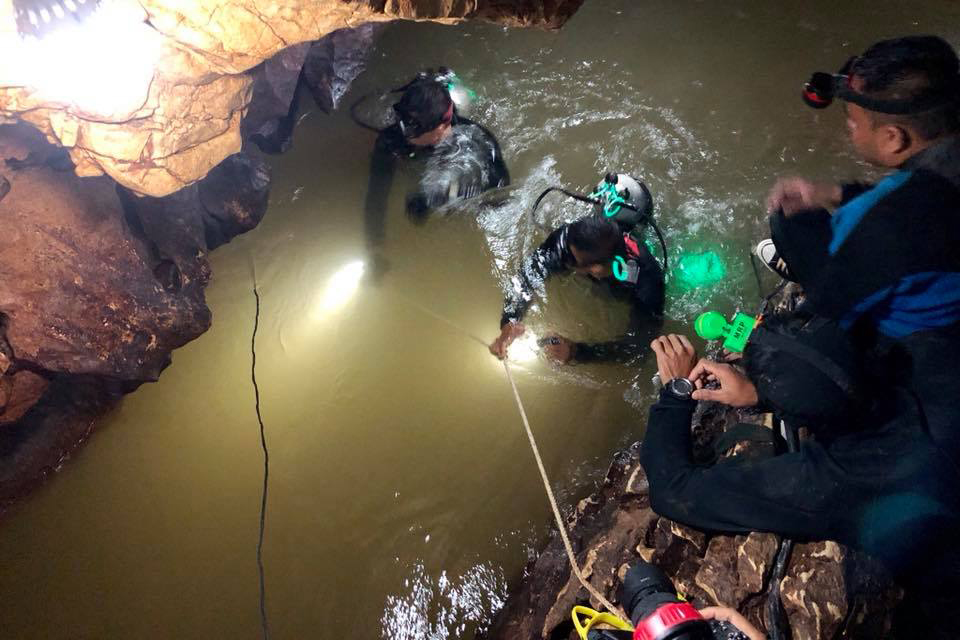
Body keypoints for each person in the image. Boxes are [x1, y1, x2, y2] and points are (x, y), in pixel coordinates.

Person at [641, 313, 960, 637]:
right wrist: (768, 381)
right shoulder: (931, 348)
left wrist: (676, 390)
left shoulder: (838, 482)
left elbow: (673, 489)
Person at [755, 35, 960, 341]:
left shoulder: (878, 221)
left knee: (788, 222)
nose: (849, 129)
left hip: (919, 350)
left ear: (893, 138)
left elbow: (826, 307)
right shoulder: (935, 177)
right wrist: (836, 193)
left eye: (853, 123)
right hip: (940, 283)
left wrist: (763, 347)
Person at [488, 175, 664, 364]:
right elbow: (528, 275)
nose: (564, 260)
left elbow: (639, 347)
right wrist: (510, 320)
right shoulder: (567, 240)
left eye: (573, 260)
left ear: (596, 269)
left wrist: (577, 352)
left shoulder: (647, 282)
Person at [363, 72, 510, 271]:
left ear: (441, 127)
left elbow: (500, 191)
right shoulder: (391, 140)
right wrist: (374, 247)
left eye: (413, 131)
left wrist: (439, 197)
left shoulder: (476, 140)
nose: (404, 133)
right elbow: (376, 194)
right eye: (404, 125)